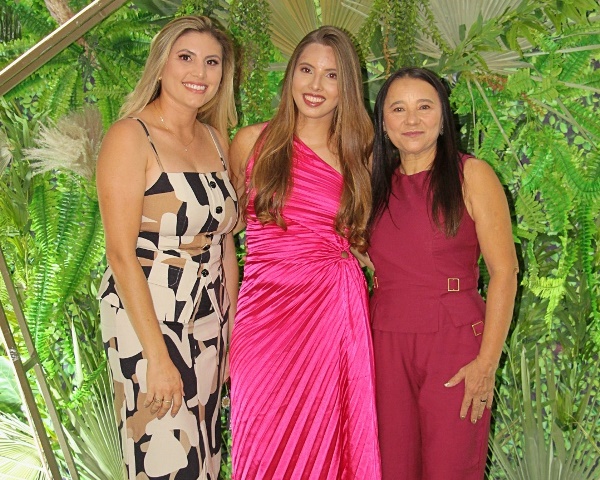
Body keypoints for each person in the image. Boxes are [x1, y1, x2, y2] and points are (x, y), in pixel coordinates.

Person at [228, 26, 381, 479]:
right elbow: (226, 225)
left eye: (331, 75)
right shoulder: (251, 141)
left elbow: (367, 234)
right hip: (262, 318)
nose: (316, 85)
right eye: (306, 70)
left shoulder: (361, 152)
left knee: (330, 442)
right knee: (259, 440)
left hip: (332, 315)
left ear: (346, 85)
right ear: (290, 74)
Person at [96, 16, 238, 479]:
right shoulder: (129, 136)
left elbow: (224, 242)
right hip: (149, 317)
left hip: (209, 317)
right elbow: (120, 255)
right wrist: (157, 357)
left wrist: (232, 329)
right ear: (161, 65)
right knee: (167, 460)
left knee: (205, 455)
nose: (200, 72)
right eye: (186, 57)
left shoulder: (215, 139)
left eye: (212, 62)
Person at [368, 66, 518, 480]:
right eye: (398, 109)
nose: (411, 120)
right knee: (391, 468)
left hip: (454, 344)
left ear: (443, 116)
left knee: (451, 468)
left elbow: (504, 272)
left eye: (424, 107)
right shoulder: (372, 183)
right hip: (383, 342)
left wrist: (486, 364)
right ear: (383, 122)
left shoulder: (472, 174)